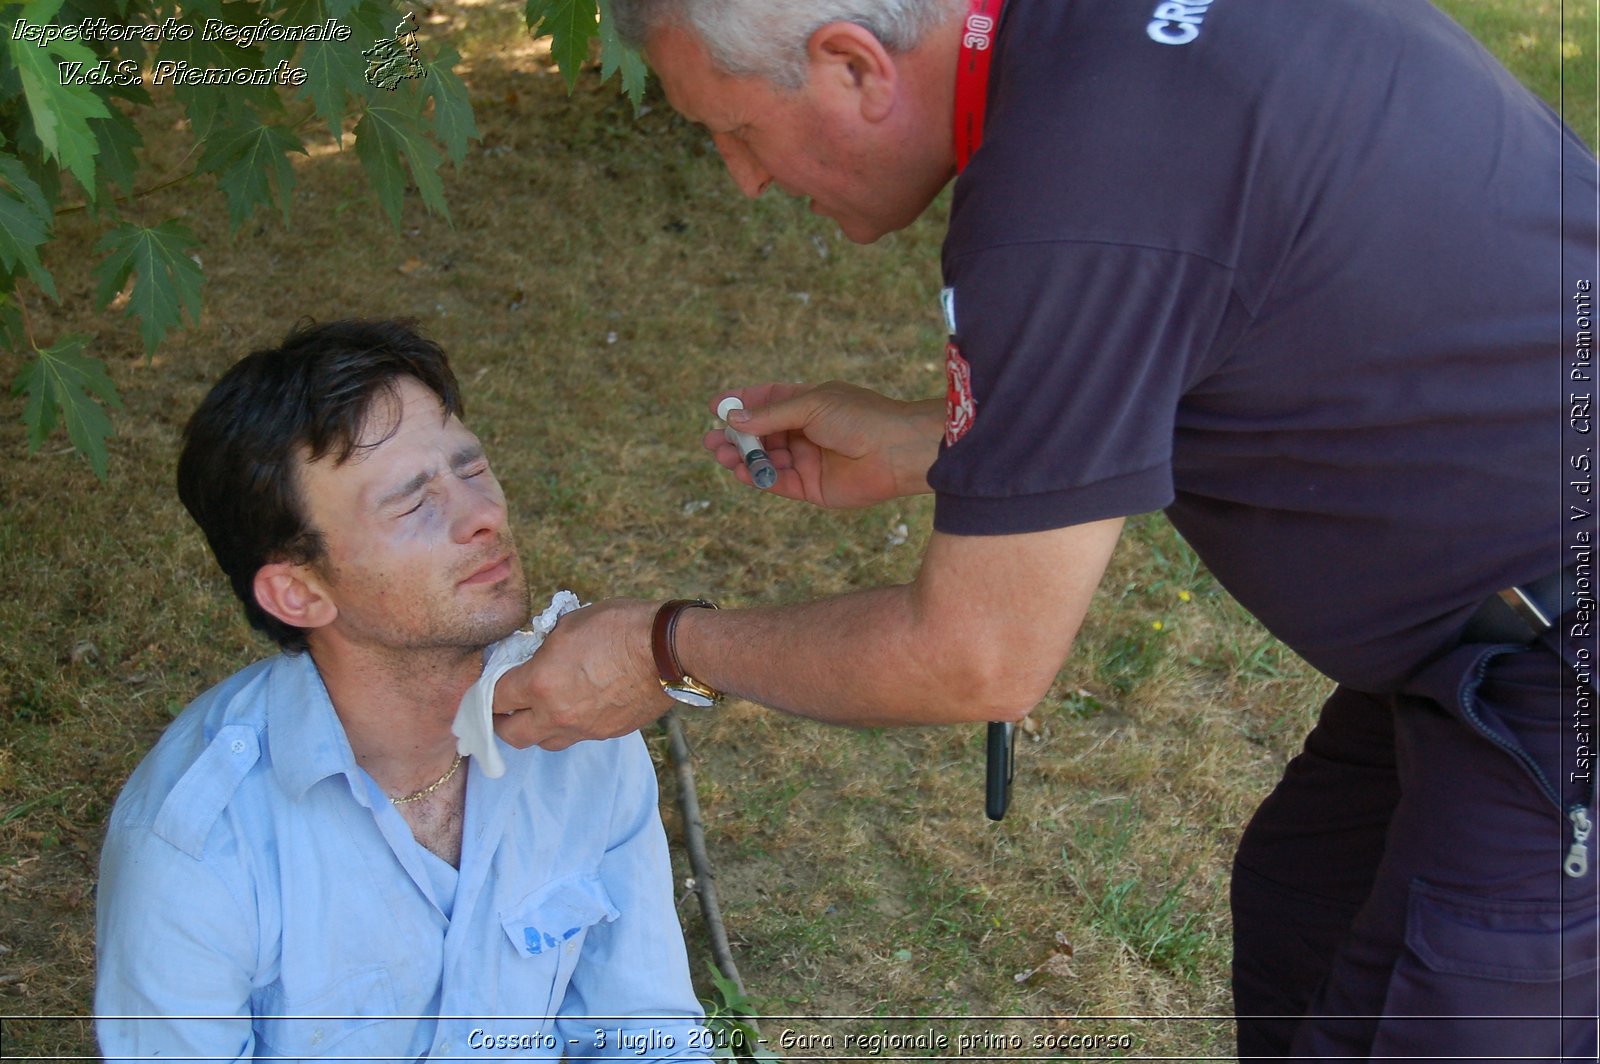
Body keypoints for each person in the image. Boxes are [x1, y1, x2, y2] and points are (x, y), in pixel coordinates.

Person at [487, 0, 1600, 1059]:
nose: (742, 178)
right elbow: (1238, 286)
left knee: (1430, 1005)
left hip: (1556, 653)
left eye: (735, 130)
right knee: (1304, 905)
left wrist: (663, 649)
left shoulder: (1068, 191)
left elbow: (975, 657)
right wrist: (960, 439)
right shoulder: (1095, 65)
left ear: (852, 66)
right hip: (1498, 603)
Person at [94, 320, 710, 1063]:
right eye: (413, 504)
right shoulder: (196, 849)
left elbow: (645, 1030)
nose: (483, 516)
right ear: (299, 592)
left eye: (472, 469)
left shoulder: (579, 733)